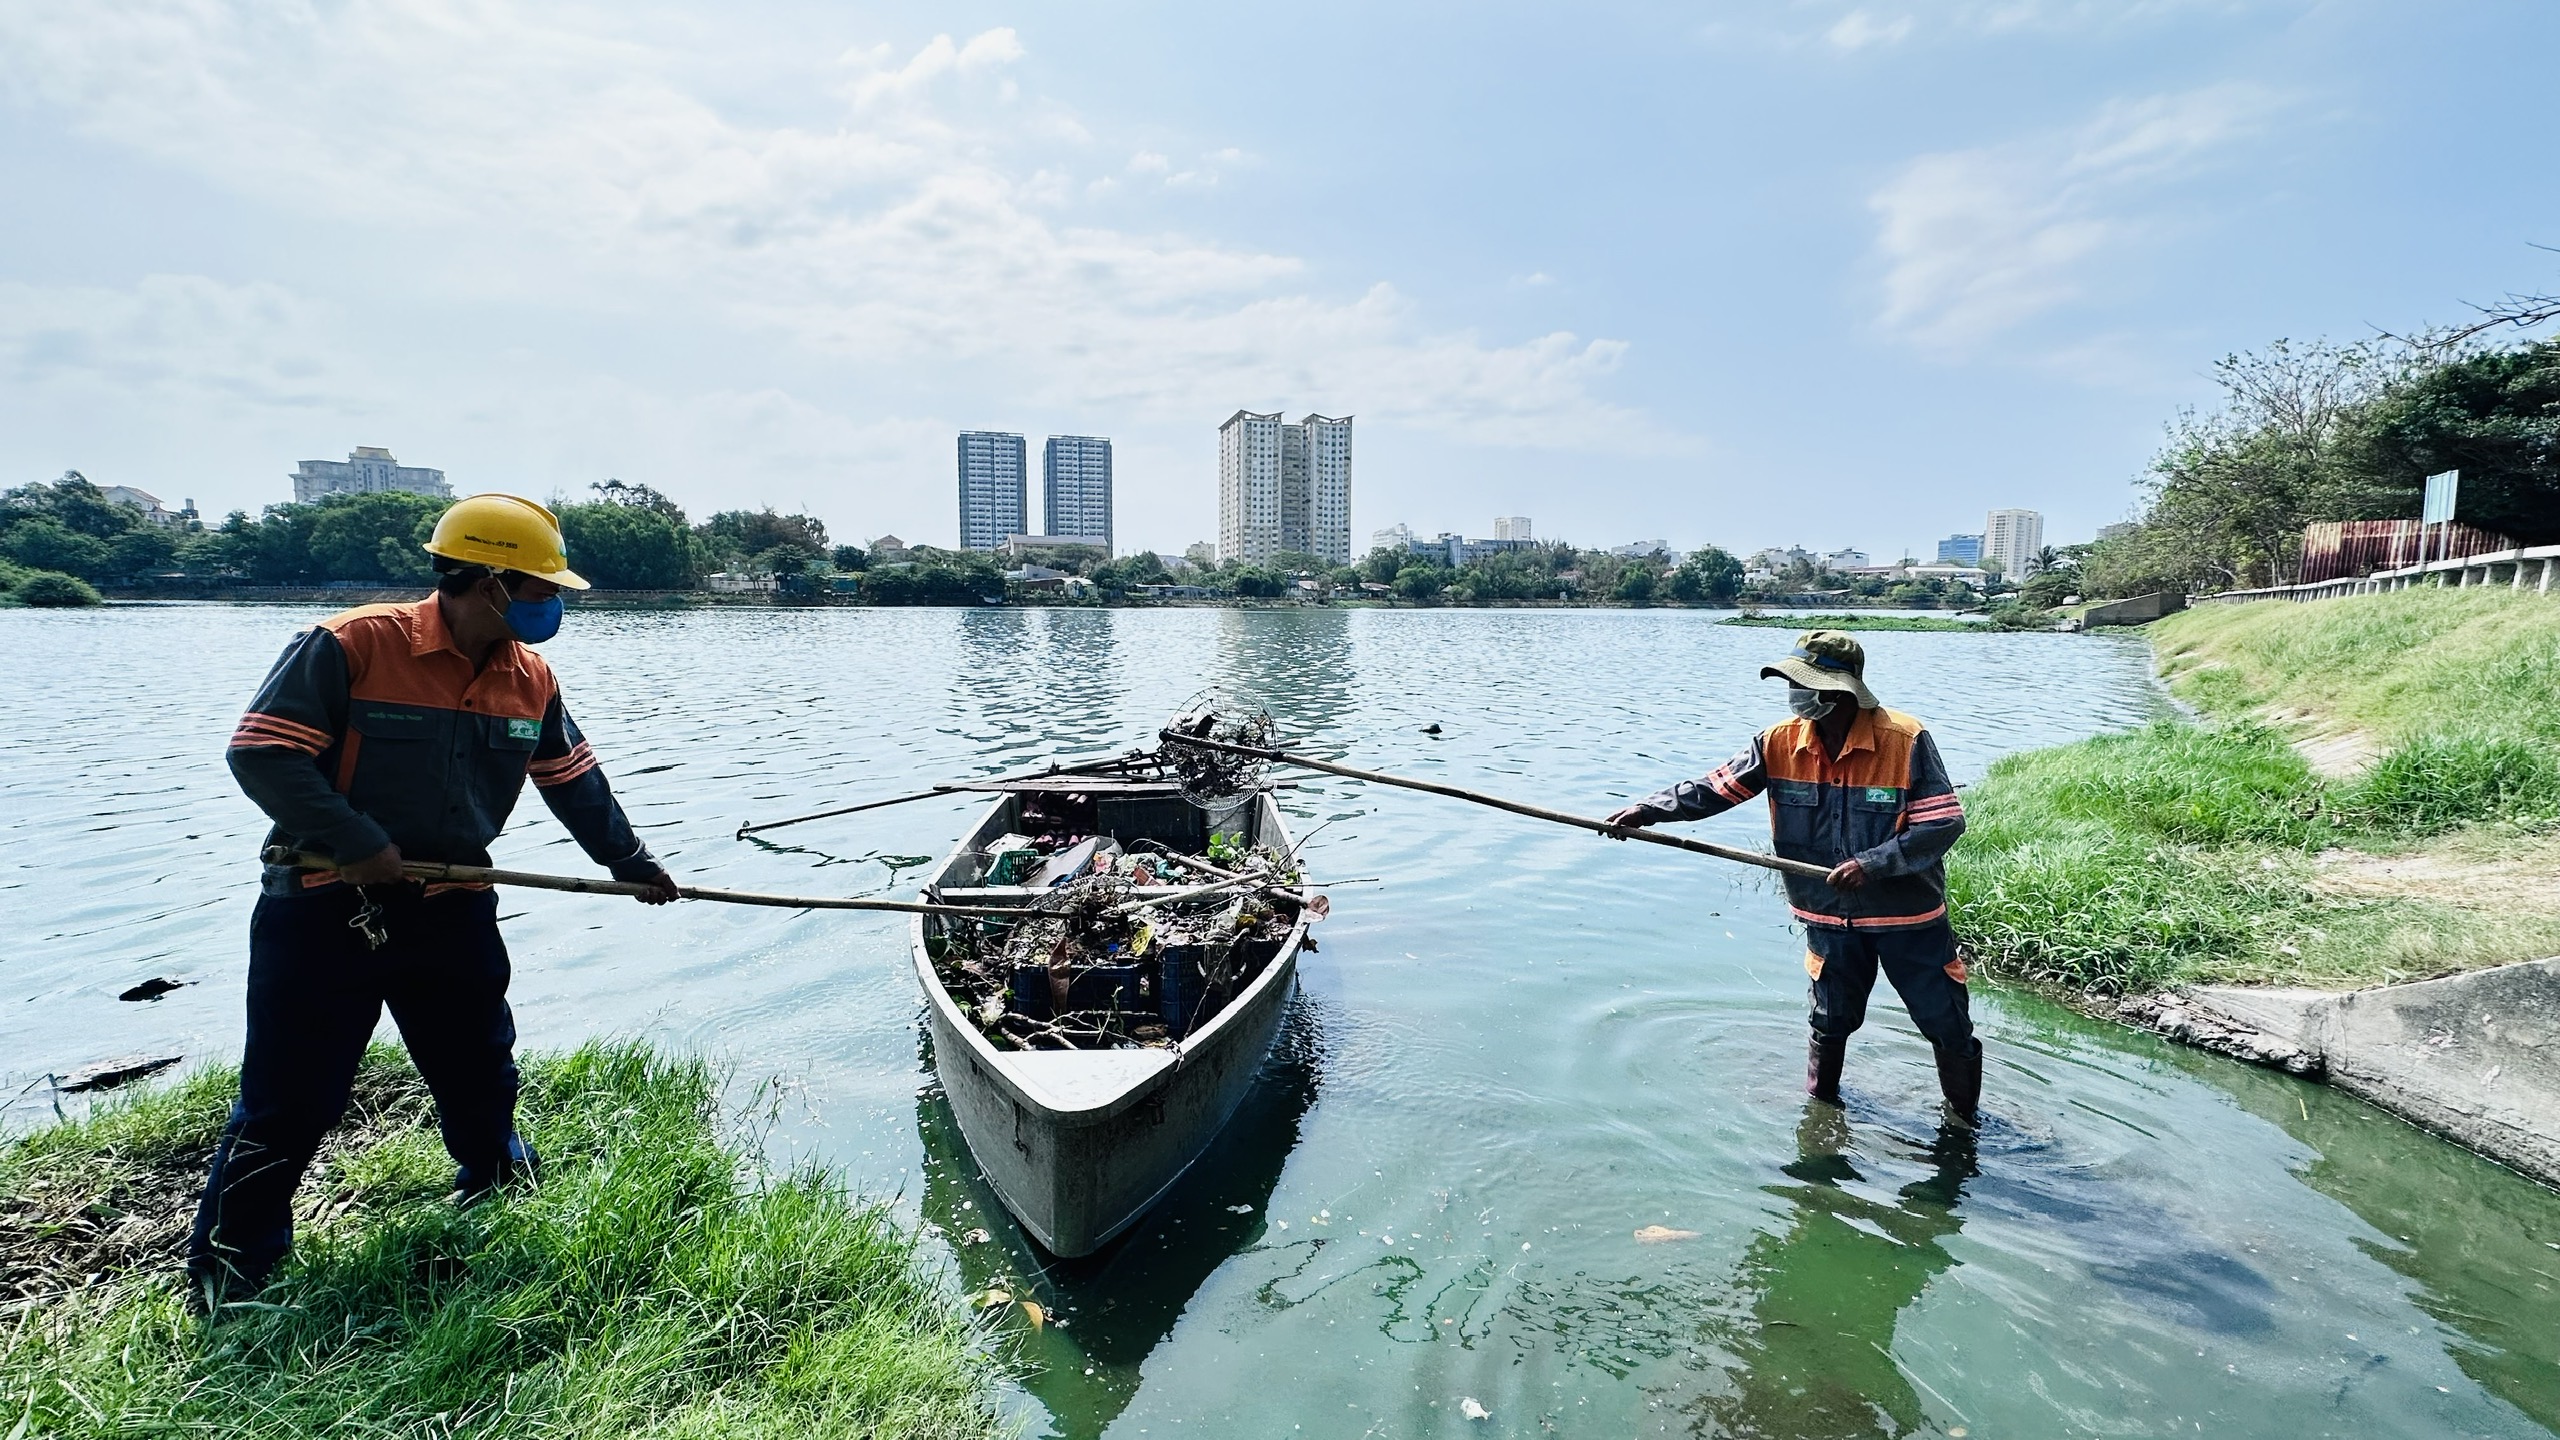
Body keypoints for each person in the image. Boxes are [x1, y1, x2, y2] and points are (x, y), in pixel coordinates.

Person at [189, 493, 680, 1305]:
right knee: (291, 1091)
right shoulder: (351, 645)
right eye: (536, 588)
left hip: (453, 904)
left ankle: (495, 1180)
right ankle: (233, 1262)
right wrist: (357, 842)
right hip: (325, 905)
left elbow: (572, 782)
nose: (549, 604)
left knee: (477, 1061)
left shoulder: (530, 677)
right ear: (486, 580)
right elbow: (262, 755)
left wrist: (632, 863)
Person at [1604, 630, 1980, 1123]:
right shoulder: (1778, 741)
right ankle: (1821, 1118)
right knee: (1829, 1022)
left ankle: (1963, 1127)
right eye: (1790, 682)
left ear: (1839, 690)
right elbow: (1714, 790)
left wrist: (1874, 863)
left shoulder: (1903, 740)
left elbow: (1943, 821)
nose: (1794, 694)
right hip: (1826, 917)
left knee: (1946, 1025)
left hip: (1906, 919)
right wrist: (1648, 810)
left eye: (1803, 684)